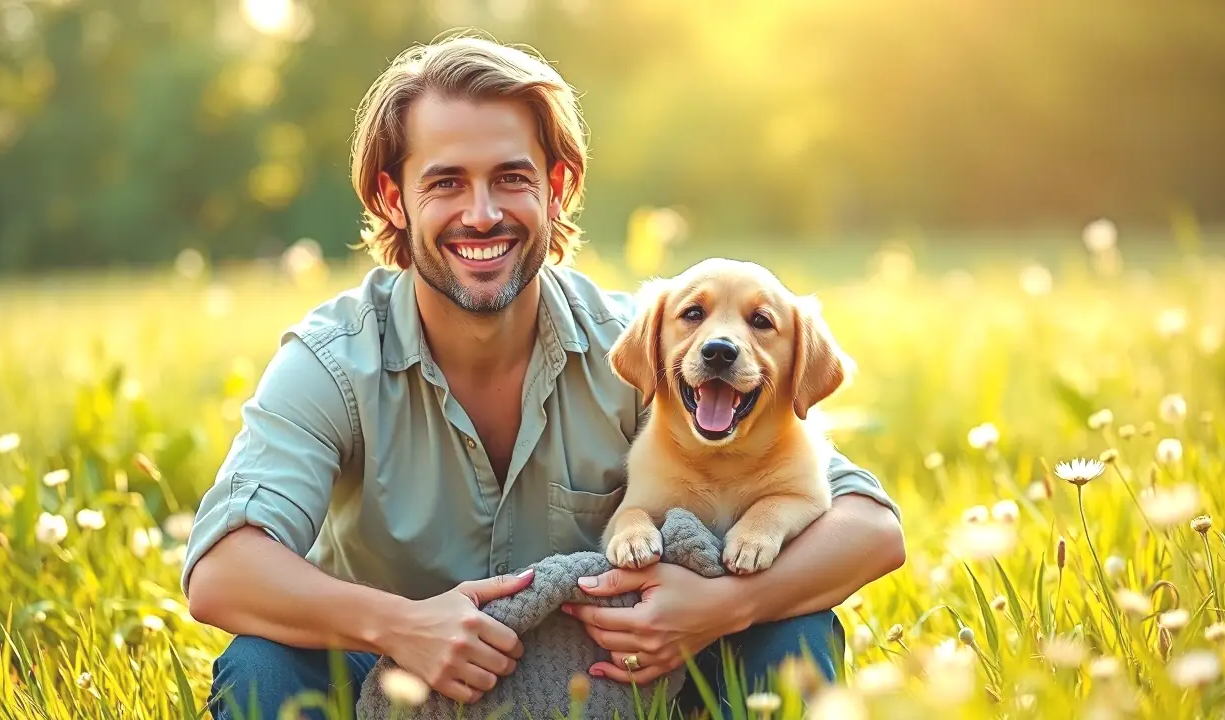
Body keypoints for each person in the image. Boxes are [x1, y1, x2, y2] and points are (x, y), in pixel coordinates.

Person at [182, 32, 905, 719]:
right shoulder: (332, 362)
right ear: (391, 198)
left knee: (791, 633)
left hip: (615, 686)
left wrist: (723, 609)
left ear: (557, 187)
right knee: (263, 666)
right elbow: (221, 572)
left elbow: (869, 528)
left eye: (511, 178)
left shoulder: (648, 347)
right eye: (445, 183)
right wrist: (400, 625)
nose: (483, 213)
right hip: (395, 686)